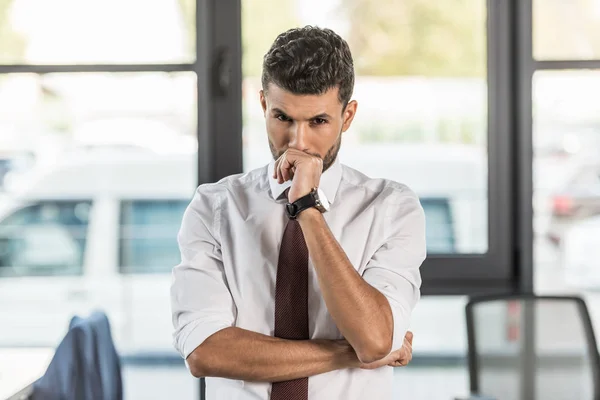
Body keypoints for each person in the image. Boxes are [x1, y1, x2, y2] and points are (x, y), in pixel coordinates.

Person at [170, 26, 426, 399]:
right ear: (263, 105)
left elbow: (372, 338)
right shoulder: (215, 208)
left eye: (318, 121)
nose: (298, 142)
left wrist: (306, 206)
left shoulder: (390, 208)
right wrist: (347, 352)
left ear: (348, 116)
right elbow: (205, 352)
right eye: (283, 118)